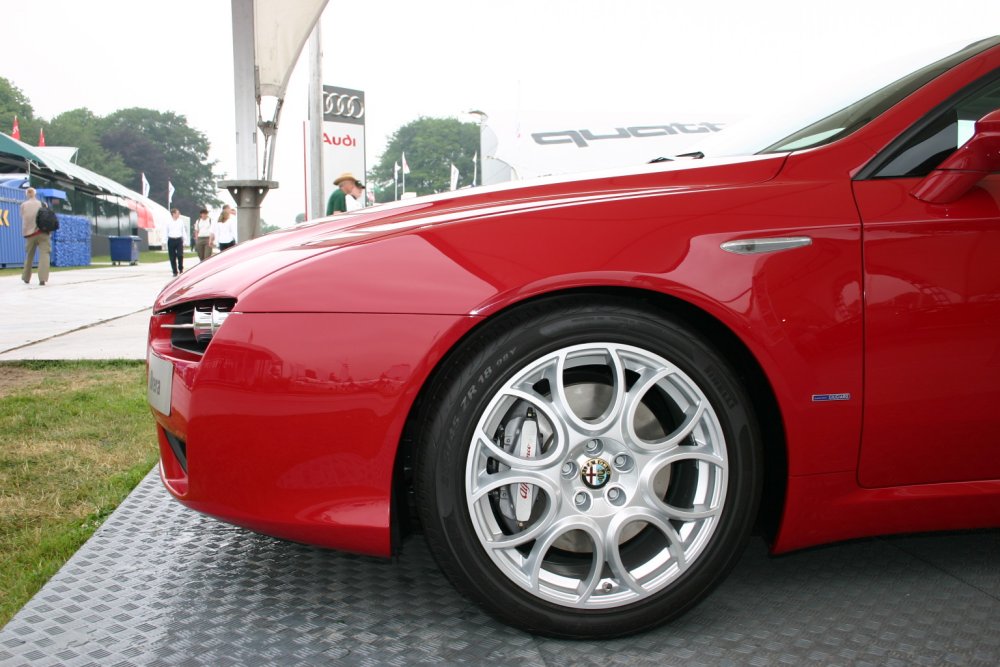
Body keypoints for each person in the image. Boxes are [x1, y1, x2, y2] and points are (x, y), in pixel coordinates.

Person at [20, 187, 48, 285]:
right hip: (43, 233)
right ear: (35, 194)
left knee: (29, 256)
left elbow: (23, 217)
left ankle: (26, 277)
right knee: (44, 254)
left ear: (27, 194)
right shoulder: (43, 204)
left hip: (29, 234)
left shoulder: (23, 205)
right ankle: (42, 279)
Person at [165, 208, 187, 276]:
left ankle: (180, 268)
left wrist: (185, 240)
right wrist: (164, 241)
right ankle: (174, 271)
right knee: (172, 256)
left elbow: (183, 231)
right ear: (173, 214)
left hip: (179, 240)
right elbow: (165, 231)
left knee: (180, 255)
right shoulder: (168, 222)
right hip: (171, 240)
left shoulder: (180, 222)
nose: (179, 214)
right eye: (177, 213)